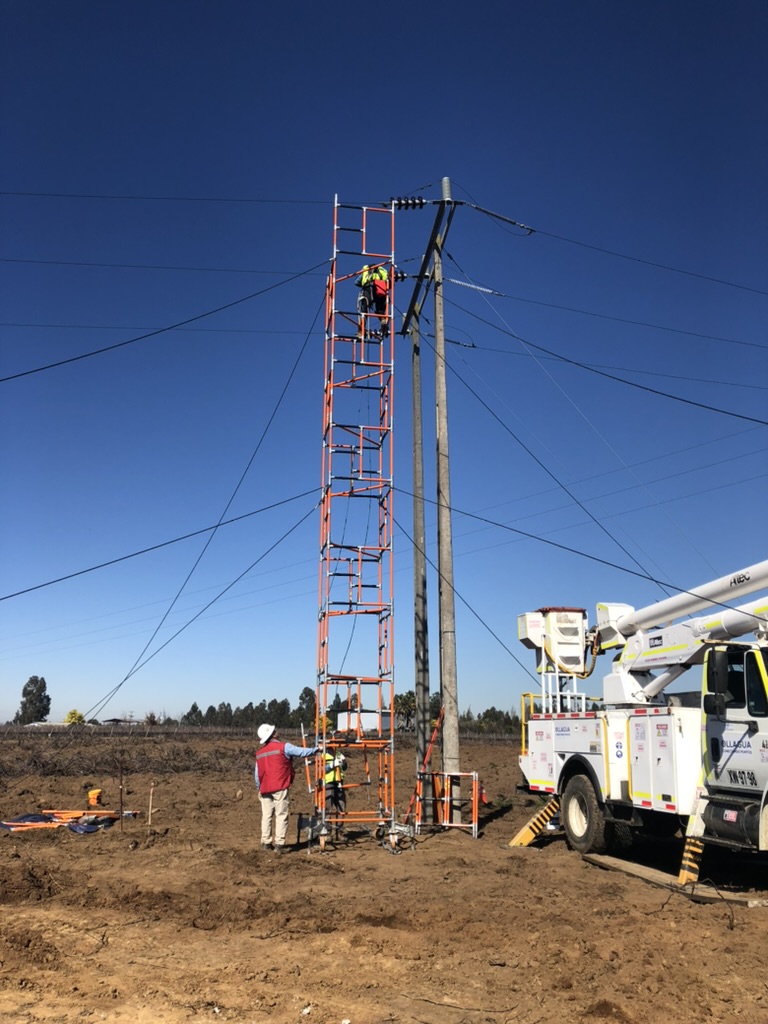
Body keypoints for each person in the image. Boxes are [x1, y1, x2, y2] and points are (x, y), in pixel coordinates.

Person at [254, 723, 318, 853]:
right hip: (279, 786)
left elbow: (256, 773)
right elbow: (301, 752)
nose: (276, 731)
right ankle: (279, 844)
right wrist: (315, 750)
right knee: (281, 814)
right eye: (274, 730)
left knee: (266, 816)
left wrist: (259, 787)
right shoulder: (284, 747)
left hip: (264, 788)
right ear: (272, 734)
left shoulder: (259, 753)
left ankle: (266, 843)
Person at [355, 264, 388, 337]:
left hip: (368, 289)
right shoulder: (382, 272)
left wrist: (363, 285)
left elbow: (356, 282)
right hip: (380, 288)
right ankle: (383, 320)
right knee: (380, 308)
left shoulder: (365, 272)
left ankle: (361, 331)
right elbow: (388, 282)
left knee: (364, 311)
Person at [323, 748, 348, 824]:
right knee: (327, 807)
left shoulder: (338, 754)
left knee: (341, 806)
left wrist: (344, 763)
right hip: (328, 783)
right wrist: (331, 765)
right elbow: (320, 769)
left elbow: (344, 768)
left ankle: (339, 828)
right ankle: (327, 828)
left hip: (339, 782)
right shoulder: (322, 755)